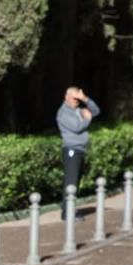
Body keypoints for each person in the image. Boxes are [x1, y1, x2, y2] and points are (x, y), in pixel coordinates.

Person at [56, 86, 101, 219]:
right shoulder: (64, 112)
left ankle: (71, 210)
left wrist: (85, 98)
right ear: (66, 97)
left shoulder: (78, 110)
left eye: (78, 99)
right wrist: (87, 119)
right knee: (71, 182)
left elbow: (96, 111)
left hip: (80, 150)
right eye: (74, 98)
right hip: (71, 150)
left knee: (75, 183)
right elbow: (76, 127)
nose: (76, 101)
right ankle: (67, 213)